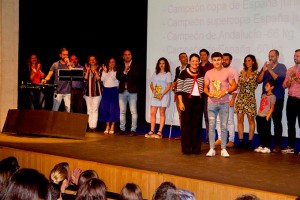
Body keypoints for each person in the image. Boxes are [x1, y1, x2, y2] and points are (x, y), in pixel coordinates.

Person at [204, 52, 237, 157]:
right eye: (215, 60)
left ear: (222, 60)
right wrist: (208, 93)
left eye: (219, 60)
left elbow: (234, 86)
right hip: (211, 103)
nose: (217, 62)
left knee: (223, 126)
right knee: (212, 126)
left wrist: (226, 92)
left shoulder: (228, 72)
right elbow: (205, 87)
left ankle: (223, 148)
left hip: (224, 103)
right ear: (212, 61)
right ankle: (212, 148)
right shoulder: (208, 73)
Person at [256, 49, 287, 153]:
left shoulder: (282, 67)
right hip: (265, 100)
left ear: (277, 57)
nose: (270, 58)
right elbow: (258, 80)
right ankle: (264, 144)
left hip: (277, 99)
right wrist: (264, 71)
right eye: (269, 56)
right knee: (264, 124)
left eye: (272, 56)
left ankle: (277, 145)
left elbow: (279, 80)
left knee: (277, 122)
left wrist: (269, 70)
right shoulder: (265, 67)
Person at [176, 53, 204, 154]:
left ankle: (196, 149)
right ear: (190, 62)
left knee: (197, 125)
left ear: (199, 62)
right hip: (186, 101)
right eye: (193, 61)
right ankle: (186, 149)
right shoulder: (184, 73)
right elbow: (178, 89)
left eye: (197, 61)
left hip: (199, 101)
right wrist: (180, 102)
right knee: (186, 125)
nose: (195, 63)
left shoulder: (202, 73)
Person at [235, 54, 259, 149]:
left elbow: (254, 85)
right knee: (240, 120)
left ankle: (250, 141)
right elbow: (238, 85)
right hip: (241, 97)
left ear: (253, 62)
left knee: (251, 120)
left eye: (249, 60)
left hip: (250, 98)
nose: (247, 62)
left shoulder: (256, 73)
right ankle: (241, 140)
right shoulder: (242, 72)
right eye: (246, 61)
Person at [215, 53, 239, 148]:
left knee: (229, 120)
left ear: (230, 61)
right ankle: (220, 138)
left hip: (229, 98)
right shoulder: (218, 70)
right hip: (218, 98)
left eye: (226, 59)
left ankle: (231, 140)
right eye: (223, 59)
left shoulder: (233, 71)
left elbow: (236, 86)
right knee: (218, 120)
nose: (224, 61)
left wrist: (233, 99)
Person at [145, 57, 172, 139]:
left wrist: (162, 94)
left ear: (166, 64)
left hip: (163, 96)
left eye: (163, 63)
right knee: (152, 113)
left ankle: (160, 131)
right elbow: (151, 84)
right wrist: (153, 90)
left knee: (161, 113)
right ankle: (152, 130)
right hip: (155, 96)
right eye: (160, 63)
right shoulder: (155, 73)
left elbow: (169, 86)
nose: (161, 65)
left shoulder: (168, 74)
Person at [42, 47, 74, 112]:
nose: (65, 56)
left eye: (67, 55)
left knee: (68, 111)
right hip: (58, 91)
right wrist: (45, 80)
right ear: (60, 55)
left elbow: (73, 74)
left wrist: (68, 64)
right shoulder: (55, 65)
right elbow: (49, 75)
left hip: (67, 92)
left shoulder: (71, 64)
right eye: (64, 54)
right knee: (55, 110)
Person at [116, 49, 140, 136]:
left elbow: (136, 76)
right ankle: (122, 129)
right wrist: (125, 71)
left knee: (133, 111)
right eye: (125, 54)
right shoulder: (120, 65)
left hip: (132, 91)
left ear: (131, 56)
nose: (127, 56)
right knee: (122, 111)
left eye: (129, 54)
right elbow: (118, 76)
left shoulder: (135, 65)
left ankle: (133, 130)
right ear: (123, 56)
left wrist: (127, 72)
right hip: (122, 91)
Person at [282, 49, 300, 154]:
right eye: (295, 56)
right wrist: (290, 79)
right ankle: (291, 146)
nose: (295, 58)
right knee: (291, 124)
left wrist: (296, 78)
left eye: (297, 56)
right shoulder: (290, 70)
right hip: (291, 100)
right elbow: (284, 85)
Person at [254, 79, 276, 154]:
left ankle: (267, 146)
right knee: (260, 131)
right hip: (260, 115)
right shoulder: (263, 95)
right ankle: (262, 145)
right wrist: (258, 113)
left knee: (266, 132)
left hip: (265, 116)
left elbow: (272, 107)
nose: (265, 87)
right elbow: (262, 105)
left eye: (267, 86)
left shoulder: (272, 96)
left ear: (272, 87)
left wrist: (268, 116)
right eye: (265, 85)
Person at [99, 57, 120, 135]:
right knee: (106, 108)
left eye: (113, 62)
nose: (112, 63)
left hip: (114, 90)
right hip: (106, 90)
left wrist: (111, 71)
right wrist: (105, 72)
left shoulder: (116, 71)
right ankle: (107, 125)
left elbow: (115, 79)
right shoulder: (104, 71)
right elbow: (102, 80)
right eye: (110, 62)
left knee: (113, 109)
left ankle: (113, 125)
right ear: (108, 63)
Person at [172, 52, 189, 139]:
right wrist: (174, 84)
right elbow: (176, 79)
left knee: (187, 114)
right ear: (179, 59)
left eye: (186, 57)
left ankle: (188, 134)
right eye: (183, 57)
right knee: (180, 114)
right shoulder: (177, 69)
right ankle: (183, 133)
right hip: (179, 94)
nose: (185, 58)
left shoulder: (189, 68)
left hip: (187, 94)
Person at [84, 55, 102, 132]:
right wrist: (88, 70)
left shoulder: (100, 68)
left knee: (95, 110)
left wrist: (94, 71)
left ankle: (94, 126)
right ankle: (89, 126)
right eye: (91, 60)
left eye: (94, 59)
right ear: (88, 61)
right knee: (89, 110)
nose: (92, 61)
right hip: (88, 93)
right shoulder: (86, 68)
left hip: (97, 93)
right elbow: (85, 79)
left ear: (96, 60)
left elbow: (99, 79)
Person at [199, 49, 214, 143]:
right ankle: (197, 137)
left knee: (207, 116)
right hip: (197, 94)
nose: (202, 56)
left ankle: (209, 137)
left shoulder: (211, 66)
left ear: (208, 56)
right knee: (197, 116)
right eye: (201, 55)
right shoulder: (197, 65)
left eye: (204, 55)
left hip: (207, 94)